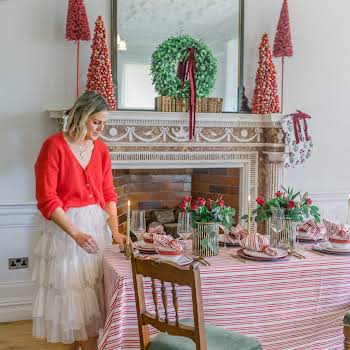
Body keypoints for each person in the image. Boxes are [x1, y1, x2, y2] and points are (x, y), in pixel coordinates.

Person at [32, 91, 125, 350]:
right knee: (73, 298)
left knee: (94, 295)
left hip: (96, 226)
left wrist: (116, 232)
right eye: (97, 122)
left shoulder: (102, 150)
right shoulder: (54, 146)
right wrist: (75, 234)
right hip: (64, 230)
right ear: (81, 116)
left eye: (104, 123)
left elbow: (108, 193)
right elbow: (47, 199)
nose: (101, 128)